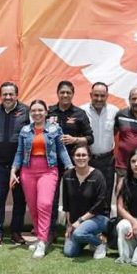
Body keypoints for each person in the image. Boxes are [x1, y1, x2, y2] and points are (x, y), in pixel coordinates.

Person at [11, 99, 73, 259]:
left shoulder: (54, 129)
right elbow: (19, 152)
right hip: (27, 171)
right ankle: (40, 237)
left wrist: (70, 167)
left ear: (46, 112)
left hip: (48, 171)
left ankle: (42, 242)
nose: (37, 113)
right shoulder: (25, 130)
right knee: (33, 207)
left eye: (40, 110)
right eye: (34, 110)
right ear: (30, 113)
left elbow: (62, 150)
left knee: (44, 204)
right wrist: (13, 170)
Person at [47, 81, 93, 241]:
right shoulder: (49, 112)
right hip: (52, 162)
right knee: (51, 198)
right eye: (62, 92)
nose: (65, 95)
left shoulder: (79, 113)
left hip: (73, 164)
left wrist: (75, 140)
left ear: (73, 94)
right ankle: (50, 231)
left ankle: (75, 229)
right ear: (57, 93)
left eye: (68, 92)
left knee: (74, 196)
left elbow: (90, 138)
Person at [0, 82, 29, 247]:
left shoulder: (26, 111)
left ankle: (16, 232)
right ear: (0, 96)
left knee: (20, 199)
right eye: (4, 94)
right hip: (0, 164)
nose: (7, 97)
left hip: (20, 165)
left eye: (11, 94)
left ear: (16, 95)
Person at [61, 145, 108, 259]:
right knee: (69, 252)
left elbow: (99, 204)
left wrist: (80, 221)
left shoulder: (98, 176)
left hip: (97, 218)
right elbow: (66, 204)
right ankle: (87, 238)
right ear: (73, 157)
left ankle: (100, 243)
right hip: (76, 222)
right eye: (77, 155)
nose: (81, 158)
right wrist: (69, 225)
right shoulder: (67, 175)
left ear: (89, 157)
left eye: (84, 155)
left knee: (79, 233)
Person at [83, 82, 119, 214]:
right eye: (96, 95)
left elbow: (116, 131)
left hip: (107, 160)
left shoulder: (114, 111)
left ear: (107, 96)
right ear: (91, 95)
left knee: (106, 193)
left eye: (102, 96)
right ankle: (85, 222)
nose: (99, 99)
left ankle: (105, 223)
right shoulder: (82, 111)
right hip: (87, 160)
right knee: (87, 193)